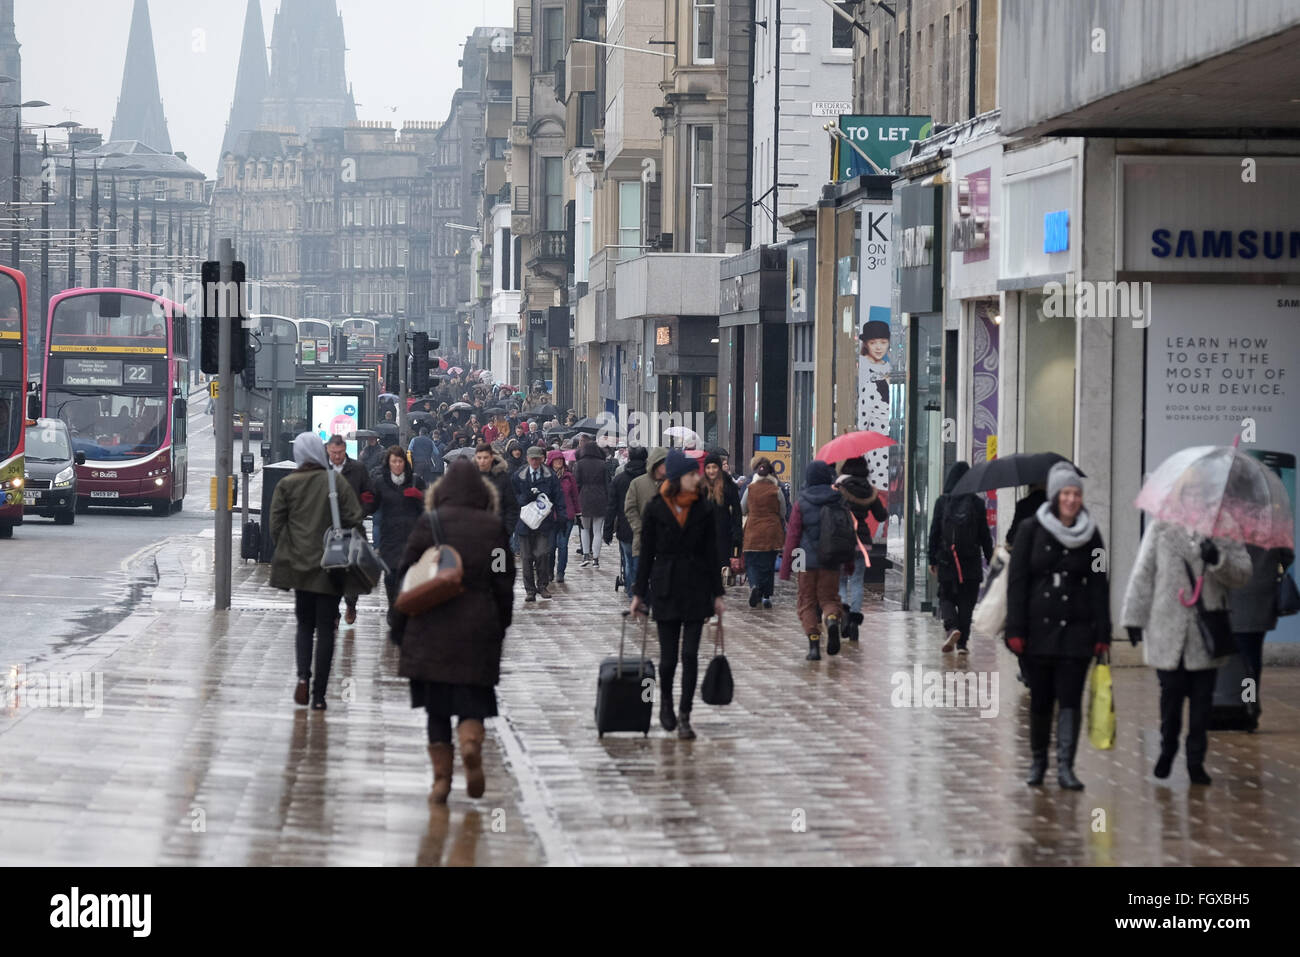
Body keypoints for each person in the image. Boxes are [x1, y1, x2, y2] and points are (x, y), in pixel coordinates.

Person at [396, 460, 515, 803]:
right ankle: (470, 744)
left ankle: (441, 782)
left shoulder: (430, 523)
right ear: (482, 493)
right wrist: (500, 620)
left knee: (437, 708)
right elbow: (503, 577)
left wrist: (399, 625)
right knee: (472, 697)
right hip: (478, 624)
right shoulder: (492, 529)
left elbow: (405, 574)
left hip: (430, 625)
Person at [1003, 463, 1112, 790]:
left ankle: (1066, 765)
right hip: (1039, 632)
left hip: (1077, 633)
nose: (1071, 499)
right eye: (1065, 493)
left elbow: (1099, 584)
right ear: (1054, 495)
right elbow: (1017, 583)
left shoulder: (1092, 535)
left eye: (1076, 494)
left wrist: (1103, 633)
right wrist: (1016, 630)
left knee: (1070, 699)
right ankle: (1038, 761)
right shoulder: (1029, 531)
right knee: (1040, 699)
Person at [1121, 514, 1251, 786]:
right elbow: (1143, 572)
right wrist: (1133, 617)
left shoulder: (1224, 526)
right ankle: (1168, 748)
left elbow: (1243, 573)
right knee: (1171, 697)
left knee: (1202, 703)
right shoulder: (1161, 526)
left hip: (1206, 633)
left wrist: (1217, 559)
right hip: (1166, 627)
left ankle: (1195, 761)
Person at [630, 449, 725, 740]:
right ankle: (667, 705)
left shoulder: (704, 508)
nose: (697, 478)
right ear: (676, 477)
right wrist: (638, 594)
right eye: (691, 474)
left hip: (697, 587)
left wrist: (718, 594)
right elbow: (646, 554)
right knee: (669, 658)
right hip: (666, 586)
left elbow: (711, 553)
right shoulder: (656, 508)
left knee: (690, 654)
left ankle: (685, 714)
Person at [270, 433, 365, 710]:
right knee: (326, 629)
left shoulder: (287, 484)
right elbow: (354, 518)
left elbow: (276, 526)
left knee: (304, 625)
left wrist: (290, 550)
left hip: (300, 567)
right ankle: (320, 695)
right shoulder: (336, 482)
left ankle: (302, 677)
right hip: (331, 566)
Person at [780, 460, 854, 661]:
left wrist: (786, 568)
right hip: (831, 559)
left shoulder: (801, 502)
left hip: (804, 559)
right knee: (829, 599)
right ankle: (831, 620)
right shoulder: (839, 500)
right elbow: (847, 533)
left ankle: (813, 645)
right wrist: (848, 563)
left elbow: (793, 536)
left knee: (806, 602)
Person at [927, 461, 993, 653]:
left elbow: (934, 533)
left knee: (946, 596)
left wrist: (932, 559)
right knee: (967, 602)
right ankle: (963, 643)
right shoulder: (977, 503)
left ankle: (952, 627)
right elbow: (984, 536)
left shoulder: (942, 502)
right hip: (970, 563)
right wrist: (990, 558)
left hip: (947, 561)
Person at [1227, 544, 1295, 721]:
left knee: (1237, 659)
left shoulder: (1228, 528)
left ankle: (1240, 702)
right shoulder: (1270, 528)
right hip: (1263, 598)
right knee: (1252, 657)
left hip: (1234, 597)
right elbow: (1288, 556)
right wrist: (1273, 570)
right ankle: (1249, 701)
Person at [370, 445, 428, 642]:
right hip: (389, 537)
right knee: (390, 576)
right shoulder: (380, 483)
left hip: (411, 537)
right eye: (393, 461)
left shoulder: (415, 481)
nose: (397, 465)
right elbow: (372, 505)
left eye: (400, 461)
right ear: (388, 463)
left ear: (405, 463)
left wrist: (420, 496)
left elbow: (428, 505)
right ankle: (392, 605)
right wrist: (365, 501)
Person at [835, 457, 888, 639]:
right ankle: (854, 620)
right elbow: (881, 516)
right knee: (857, 581)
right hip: (862, 542)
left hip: (841, 540)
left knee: (840, 581)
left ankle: (843, 612)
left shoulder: (838, 488)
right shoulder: (868, 490)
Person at [326, 434, 375, 627]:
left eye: (339, 453)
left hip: (353, 527)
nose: (336, 457)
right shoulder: (323, 469)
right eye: (333, 453)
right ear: (328, 450)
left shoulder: (358, 469)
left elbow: (369, 493)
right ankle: (333, 611)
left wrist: (361, 511)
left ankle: (351, 603)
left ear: (345, 450)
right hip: (328, 528)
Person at [512, 446, 565, 602]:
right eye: (532, 458)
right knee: (526, 557)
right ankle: (530, 590)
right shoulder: (518, 476)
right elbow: (512, 496)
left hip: (543, 522)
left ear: (542, 459)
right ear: (527, 458)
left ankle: (542, 585)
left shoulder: (550, 476)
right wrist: (525, 498)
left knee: (542, 553)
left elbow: (558, 496)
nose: (535, 461)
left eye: (538, 458)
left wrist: (561, 516)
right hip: (524, 522)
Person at [741, 456, 786, 610]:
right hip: (772, 532)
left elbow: (742, 508)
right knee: (768, 565)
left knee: (751, 562)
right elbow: (783, 511)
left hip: (753, 531)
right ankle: (766, 596)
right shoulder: (777, 490)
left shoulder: (750, 489)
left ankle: (754, 586)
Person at [606, 446, 647, 593]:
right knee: (643, 560)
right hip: (647, 527)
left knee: (629, 561)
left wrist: (608, 530)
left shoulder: (619, 479)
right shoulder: (651, 479)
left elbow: (611, 507)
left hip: (625, 526)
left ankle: (631, 591)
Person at [701, 453, 742, 583]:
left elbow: (737, 515)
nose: (711, 471)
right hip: (704, 538)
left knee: (721, 580)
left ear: (719, 468)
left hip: (723, 538)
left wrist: (736, 542)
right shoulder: (700, 487)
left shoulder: (729, 486)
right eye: (708, 467)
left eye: (714, 467)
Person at [625, 447, 669, 564]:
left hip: (667, 542)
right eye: (663, 464)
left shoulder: (673, 483)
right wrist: (638, 527)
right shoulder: (638, 483)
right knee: (639, 574)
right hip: (643, 539)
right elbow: (630, 508)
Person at [574, 441, 610, 567]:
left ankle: (585, 555)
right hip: (600, 497)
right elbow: (607, 484)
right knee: (597, 531)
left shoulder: (579, 464)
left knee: (584, 529)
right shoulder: (603, 464)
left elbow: (576, 484)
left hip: (584, 497)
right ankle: (596, 558)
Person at [547, 450, 579, 583]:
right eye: (556, 459)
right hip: (550, 516)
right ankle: (549, 572)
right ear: (551, 462)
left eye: (561, 459)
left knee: (563, 545)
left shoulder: (568, 476)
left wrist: (578, 513)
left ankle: (560, 572)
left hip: (567, 516)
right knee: (550, 546)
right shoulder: (546, 476)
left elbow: (575, 496)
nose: (559, 462)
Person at [476, 442, 517, 533]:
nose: (482, 461)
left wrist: (507, 530)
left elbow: (511, 506)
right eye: (479, 458)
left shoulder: (502, 477)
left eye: (485, 458)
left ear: (491, 458)